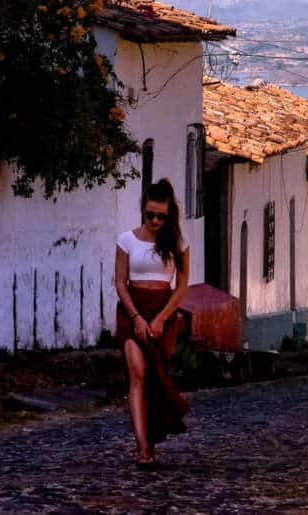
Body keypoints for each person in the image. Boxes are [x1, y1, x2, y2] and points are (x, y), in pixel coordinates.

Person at [114, 179, 190, 468]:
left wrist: (160, 318)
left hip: (163, 312)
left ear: (169, 214)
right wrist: (135, 317)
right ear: (142, 212)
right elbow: (120, 282)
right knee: (138, 373)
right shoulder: (126, 240)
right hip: (132, 310)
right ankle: (143, 447)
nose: (156, 220)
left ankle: (153, 435)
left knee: (157, 374)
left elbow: (182, 285)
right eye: (150, 214)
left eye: (161, 215)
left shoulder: (178, 243)